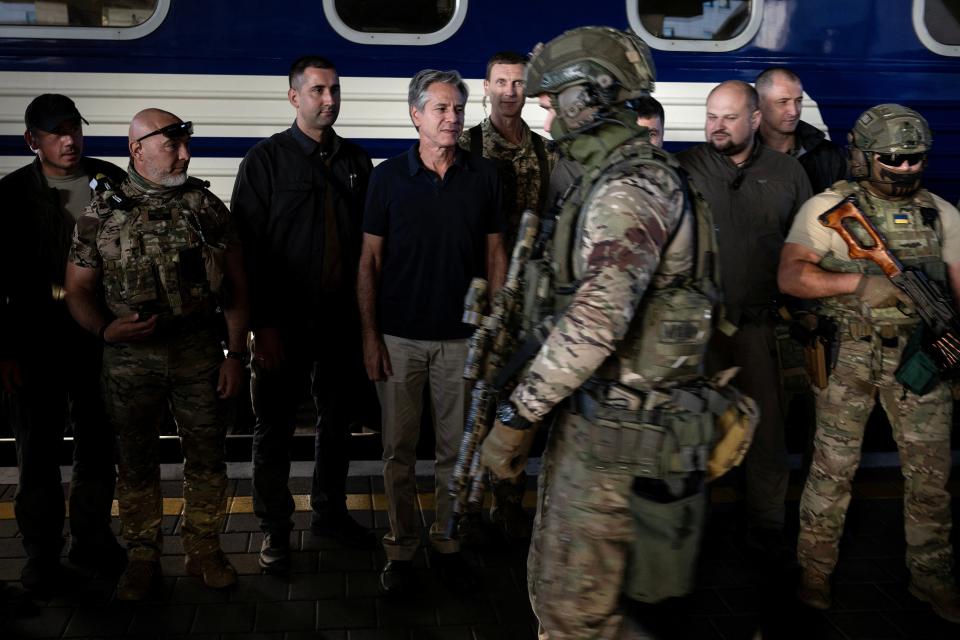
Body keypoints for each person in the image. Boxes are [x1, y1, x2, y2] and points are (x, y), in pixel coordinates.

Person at [481, 27, 729, 638]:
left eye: (549, 99)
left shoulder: (628, 189)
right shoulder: (621, 177)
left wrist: (517, 419)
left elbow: (595, 323)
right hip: (616, 426)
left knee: (577, 616)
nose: (542, 111)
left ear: (584, 98)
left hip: (621, 440)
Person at [778, 103, 960, 623]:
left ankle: (932, 576)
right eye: (892, 159)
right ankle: (814, 574)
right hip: (849, 356)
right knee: (832, 473)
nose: (905, 169)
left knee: (930, 478)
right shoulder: (828, 209)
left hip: (921, 360)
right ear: (862, 157)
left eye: (915, 160)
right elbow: (791, 277)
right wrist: (859, 283)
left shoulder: (940, 213)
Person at [64, 108, 249, 600]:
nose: (185, 154)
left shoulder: (205, 206)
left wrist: (235, 354)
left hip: (198, 352)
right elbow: (77, 289)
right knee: (135, 461)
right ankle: (142, 556)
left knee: (208, 457)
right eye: (173, 144)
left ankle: (204, 550)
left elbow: (236, 285)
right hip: (130, 359)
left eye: (185, 143)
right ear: (137, 149)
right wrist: (106, 330)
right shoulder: (100, 214)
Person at [358, 69, 506, 595]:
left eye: (458, 109)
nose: (451, 119)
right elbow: (369, 262)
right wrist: (371, 336)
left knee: (455, 453)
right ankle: (400, 549)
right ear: (415, 114)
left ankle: (446, 544)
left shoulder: (484, 176)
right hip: (399, 339)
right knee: (398, 454)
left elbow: (495, 256)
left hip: (462, 341)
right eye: (440, 109)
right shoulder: (387, 178)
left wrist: (493, 329)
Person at [231, 55, 374, 572]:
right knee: (274, 428)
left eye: (334, 89)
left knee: (337, 424)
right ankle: (274, 530)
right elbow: (244, 251)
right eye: (317, 91)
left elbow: (368, 247)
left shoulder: (357, 163)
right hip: (282, 323)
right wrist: (260, 326)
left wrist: (367, 324)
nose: (329, 99)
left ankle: (330, 513)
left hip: (340, 320)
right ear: (294, 97)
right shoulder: (264, 162)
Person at [677, 81, 812, 560]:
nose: (717, 125)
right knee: (693, 432)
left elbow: (806, 249)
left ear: (755, 119)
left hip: (760, 327)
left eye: (729, 117)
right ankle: (689, 530)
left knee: (766, 433)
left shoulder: (788, 173)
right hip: (698, 329)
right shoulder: (687, 167)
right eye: (712, 115)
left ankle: (766, 525)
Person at [0, 94, 126, 592]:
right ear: (33, 140)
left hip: (97, 335)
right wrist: (4, 349)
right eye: (56, 132)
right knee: (37, 451)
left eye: (74, 128)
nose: (69, 140)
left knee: (98, 445)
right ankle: (42, 554)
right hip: (37, 340)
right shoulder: (11, 196)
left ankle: (93, 539)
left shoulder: (109, 181)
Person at [456, 51, 554, 542]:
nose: (510, 91)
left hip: (530, 306)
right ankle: (464, 505)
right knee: (474, 405)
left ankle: (506, 503)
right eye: (501, 82)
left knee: (520, 408)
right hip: (480, 303)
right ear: (486, 87)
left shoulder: (545, 151)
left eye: (518, 83)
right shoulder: (467, 146)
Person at [547, 95, 666, 207]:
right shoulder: (569, 172)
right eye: (637, 135)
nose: (643, 142)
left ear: (663, 135)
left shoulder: (672, 175)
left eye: (652, 134)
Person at [755, 67, 846, 194]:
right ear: (759, 103)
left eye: (798, 101)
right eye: (783, 102)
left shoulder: (832, 156)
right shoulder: (740, 154)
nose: (794, 111)